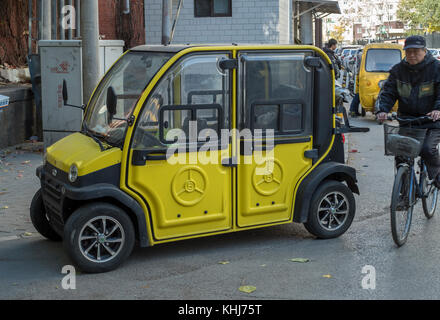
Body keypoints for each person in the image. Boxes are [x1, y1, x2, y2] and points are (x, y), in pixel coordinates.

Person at [376, 35, 440, 187]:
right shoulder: (398, 70)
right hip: (407, 120)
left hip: (431, 121)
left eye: (416, 51)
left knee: (427, 150)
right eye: (408, 51)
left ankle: (437, 175)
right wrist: (382, 110)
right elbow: (388, 92)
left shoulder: (436, 68)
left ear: (424, 51)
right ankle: (404, 194)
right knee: (401, 154)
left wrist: (438, 109)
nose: (411, 55)